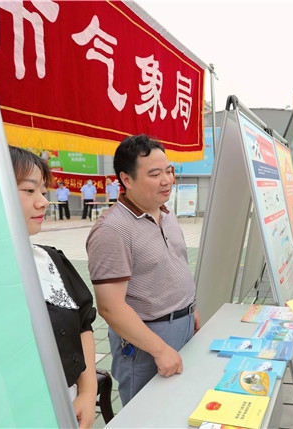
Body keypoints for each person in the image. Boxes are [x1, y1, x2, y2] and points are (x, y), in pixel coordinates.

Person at [86, 134, 200, 406]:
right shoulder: (112, 230)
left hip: (183, 324)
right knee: (148, 412)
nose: (167, 180)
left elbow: (174, 266)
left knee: (180, 406)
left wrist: (189, 310)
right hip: (147, 341)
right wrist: (159, 350)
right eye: (155, 174)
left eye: (168, 171)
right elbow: (110, 307)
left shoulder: (165, 212)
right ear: (126, 179)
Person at [10, 146, 97, 428]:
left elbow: (83, 323)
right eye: (29, 190)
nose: (43, 202)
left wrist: (87, 392)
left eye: (42, 191)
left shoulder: (50, 260)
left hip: (66, 404)